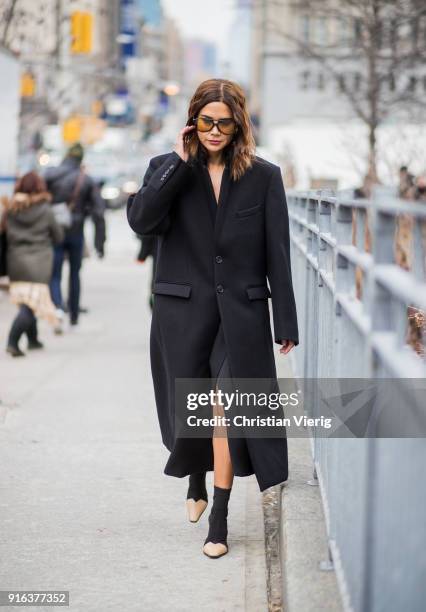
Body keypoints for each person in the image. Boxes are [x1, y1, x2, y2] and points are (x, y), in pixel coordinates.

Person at [127, 78, 299, 559]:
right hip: (182, 312)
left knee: (225, 409)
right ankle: (196, 479)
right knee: (193, 412)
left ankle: (219, 517)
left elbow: (277, 253)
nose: (215, 130)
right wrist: (178, 166)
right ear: (193, 121)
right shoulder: (166, 169)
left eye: (225, 122)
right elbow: (142, 221)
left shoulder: (264, 177)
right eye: (207, 121)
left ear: (239, 123)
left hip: (240, 315)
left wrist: (285, 320)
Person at [44, 143, 106, 328]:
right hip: (76, 232)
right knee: (75, 273)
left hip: (54, 232)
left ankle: (57, 308)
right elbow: (99, 213)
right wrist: (99, 244)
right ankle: (73, 313)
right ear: (80, 159)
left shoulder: (50, 175)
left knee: (54, 273)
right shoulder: (85, 179)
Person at [3, 172, 63, 357]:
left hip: (16, 260)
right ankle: (12, 341)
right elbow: (58, 236)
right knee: (31, 304)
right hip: (39, 262)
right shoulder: (45, 209)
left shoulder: (11, 208)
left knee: (27, 300)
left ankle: (33, 340)